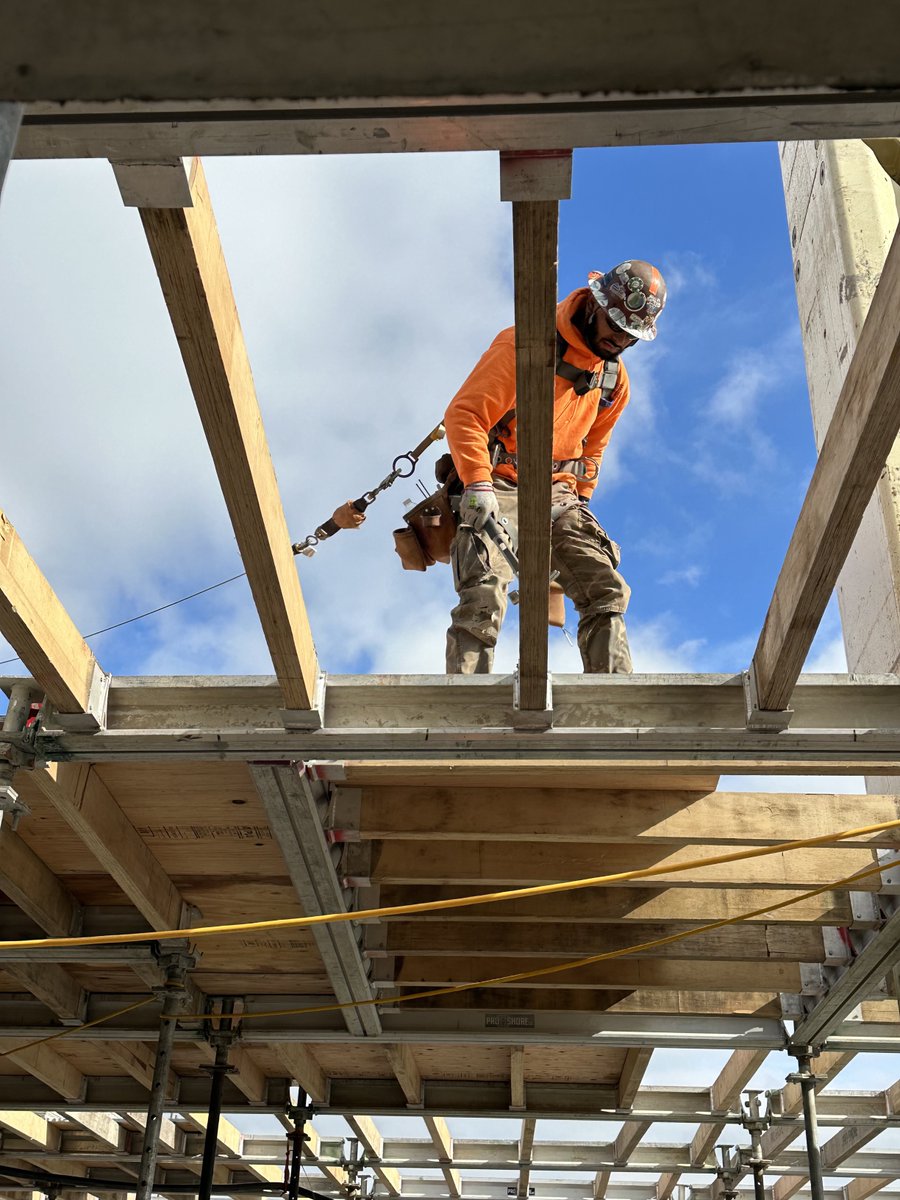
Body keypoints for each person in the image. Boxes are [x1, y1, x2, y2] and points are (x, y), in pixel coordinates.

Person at [443, 261, 666, 675]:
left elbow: (593, 450)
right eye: (615, 327)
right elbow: (466, 415)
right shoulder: (525, 346)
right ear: (594, 306)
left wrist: (578, 504)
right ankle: (466, 705)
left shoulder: (613, 379)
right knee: (484, 594)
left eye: (630, 336)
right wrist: (477, 483)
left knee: (605, 588)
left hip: (559, 493)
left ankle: (613, 701)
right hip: (500, 484)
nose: (619, 341)